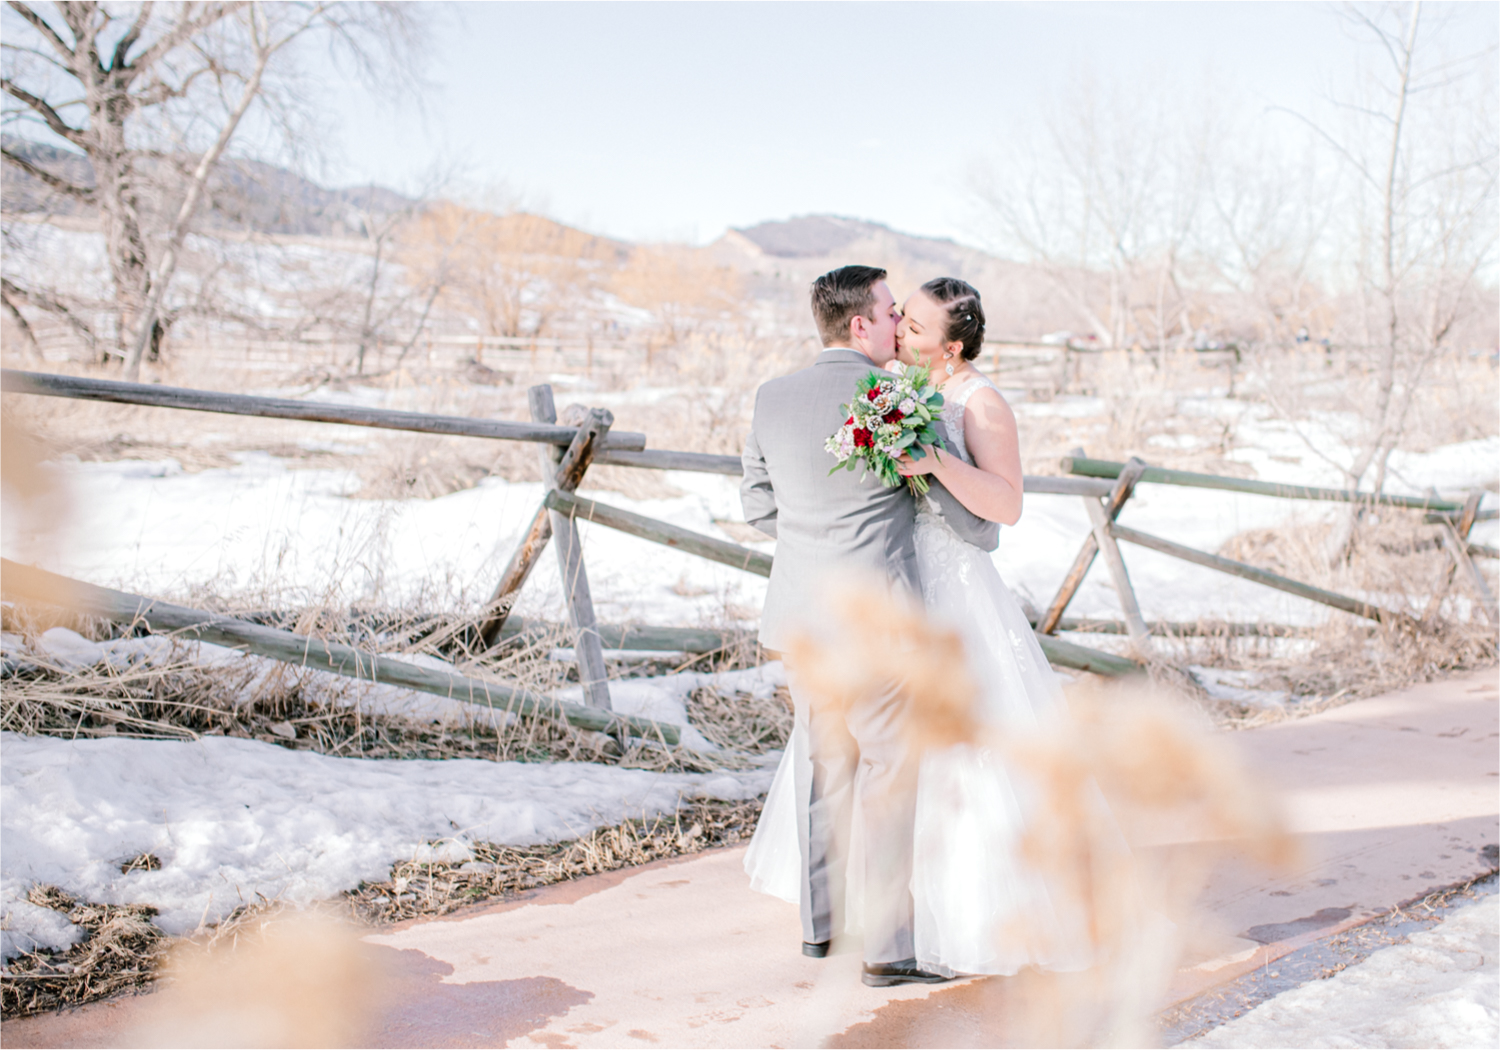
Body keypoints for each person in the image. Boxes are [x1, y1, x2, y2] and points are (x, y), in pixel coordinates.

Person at [746, 275, 1086, 979]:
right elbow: (970, 523)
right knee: (890, 775)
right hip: (890, 611)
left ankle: (821, 930)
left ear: (952, 344)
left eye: (913, 322)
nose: (899, 327)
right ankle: (890, 949)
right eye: (893, 315)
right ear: (862, 324)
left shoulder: (773, 396)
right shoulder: (893, 401)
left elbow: (759, 507)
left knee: (823, 766)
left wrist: (820, 542)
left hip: (807, 614)